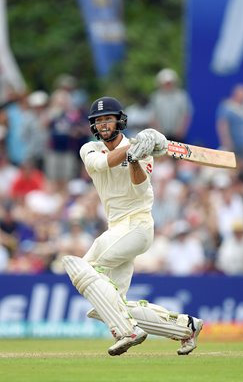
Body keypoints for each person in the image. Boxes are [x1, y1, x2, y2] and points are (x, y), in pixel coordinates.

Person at [62, 96, 203, 357]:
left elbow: (139, 187)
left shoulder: (142, 150)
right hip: (117, 228)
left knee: (81, 269)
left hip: (137, 226)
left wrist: (137, 156)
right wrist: (133, 149)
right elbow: (101, 164)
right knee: (107, 305)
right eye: (98, 121)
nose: (104, 124)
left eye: (108, 119)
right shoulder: (89, 149)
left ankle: (128, 331)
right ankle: (186, 327)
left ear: (119, 121)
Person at [149, 68, 193, 142]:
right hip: (161, 136)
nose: (168, 85)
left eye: (169, 83)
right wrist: (157, 131)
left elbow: (186, 114)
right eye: (166, 83)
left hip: (178, 136)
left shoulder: (181, 96)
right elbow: (152, 117)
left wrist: (182, 130)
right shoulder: (156, 97)